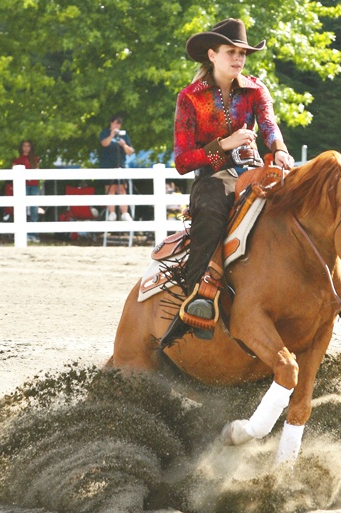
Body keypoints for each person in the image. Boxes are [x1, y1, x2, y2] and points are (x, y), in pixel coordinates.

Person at [161, 18, 295, 345]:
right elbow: (182, 161)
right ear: (212, 55)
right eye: (231, 52)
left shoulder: (256, 89)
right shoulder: (189, 98)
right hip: (212, 177)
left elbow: (269, 125)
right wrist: (223, 145)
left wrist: (279, 150)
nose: (238, 58)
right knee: (210, 210)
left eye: (242, 53)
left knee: (304, 203)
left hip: (253, 168)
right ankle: (198, 295)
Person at [99, 115, 135, 222]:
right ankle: (112, 213)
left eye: (119, 123)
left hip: (121, 165)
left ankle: (124, 213)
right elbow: (104, 144)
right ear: (111, 123)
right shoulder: (105, 133)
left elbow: (130, 151)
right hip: (107, 165)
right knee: (110, 189)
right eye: (115, 123)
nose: (117, 125)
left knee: (122, 189)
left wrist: (124, 145)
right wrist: (111, 135)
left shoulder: (124, 135)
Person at [12, 140, 41, 243]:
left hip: (34, 185)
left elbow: (37, 170)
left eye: (28, 146)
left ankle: (33, 234)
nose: (26, 148)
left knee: (34, 209)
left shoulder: (35, 158)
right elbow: (13, 170)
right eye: (24, 146)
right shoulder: (17, 158)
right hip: (22, 185)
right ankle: (22, 234)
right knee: (22, 209)